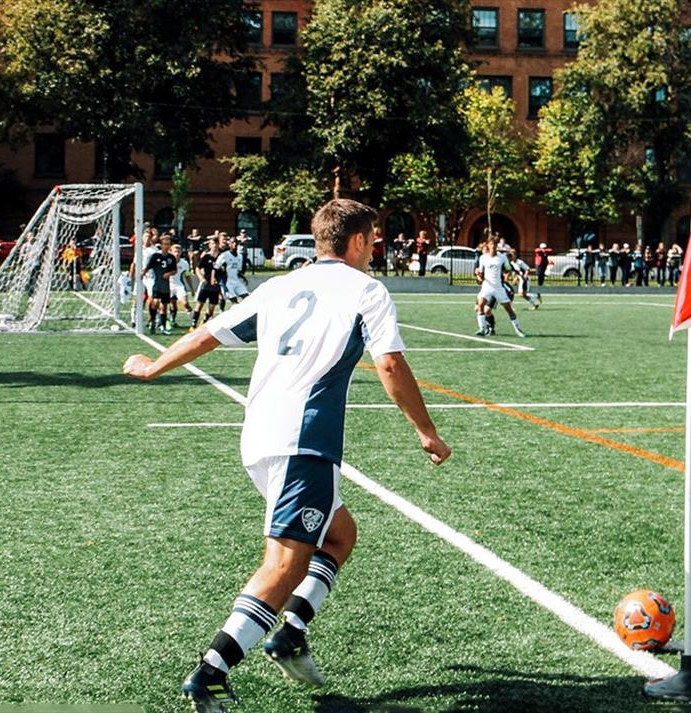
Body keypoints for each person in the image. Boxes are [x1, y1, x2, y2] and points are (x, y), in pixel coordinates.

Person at [123, 199, 450, 713]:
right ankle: (212, 671)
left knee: (340, 534)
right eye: (374, 238)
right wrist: (426, 431)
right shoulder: (367, 290)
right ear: (359, 241)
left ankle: (291, 632)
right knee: (285, 562)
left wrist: (153, 366)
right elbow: (388, 364)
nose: (376, 248)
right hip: (303, 440)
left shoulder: (279, 286)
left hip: (259, 434)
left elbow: (209, 333)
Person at [474, 240, 526, 337]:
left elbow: (508, 268)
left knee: (509, 309)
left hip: (498, 287)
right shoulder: (483, 258)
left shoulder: (502, 257)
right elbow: (481, 273)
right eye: (491, 244)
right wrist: (478, 274)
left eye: (495, 244)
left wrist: (506, 271)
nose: (493, 246)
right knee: (480, 306)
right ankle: (482, 329)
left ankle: (518, 329)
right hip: (487, 286)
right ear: (488, 246)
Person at [145, 236, 178, 335]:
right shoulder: (155, 256)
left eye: (168, 244)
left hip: (165, 286)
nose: (166, 246)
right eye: (165, 244)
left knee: (164, 307)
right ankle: (152, 321)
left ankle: (162, 326)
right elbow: (148, 267)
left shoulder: (171, 258)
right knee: (155, 303)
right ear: (161, 245)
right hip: (157, 284)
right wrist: (142, 273)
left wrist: (169, 274)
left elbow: (174, 270)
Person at [191, 238, 224, 328]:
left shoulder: (222, 257)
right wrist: (201, 278)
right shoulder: (206, 257)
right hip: (206, 284)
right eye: (213, 243)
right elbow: (197, 268)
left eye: (216, 243)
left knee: (211, 308)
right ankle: (193, 324)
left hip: (216, 285)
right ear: (209, 245)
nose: (215, 245)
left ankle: (204, 322)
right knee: (199, 304)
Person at [168, 243, 195, 327]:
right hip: (168, 285)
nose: (177, 253)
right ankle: (171, 320)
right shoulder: (167, 261)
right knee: (172, 305)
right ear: (171, 252)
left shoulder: (184, 263)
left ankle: (194, 321)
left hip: (179, 285)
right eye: (175, 251)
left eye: (178, 251)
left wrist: (192, 288)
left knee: (185, 303)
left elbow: (187, 276)